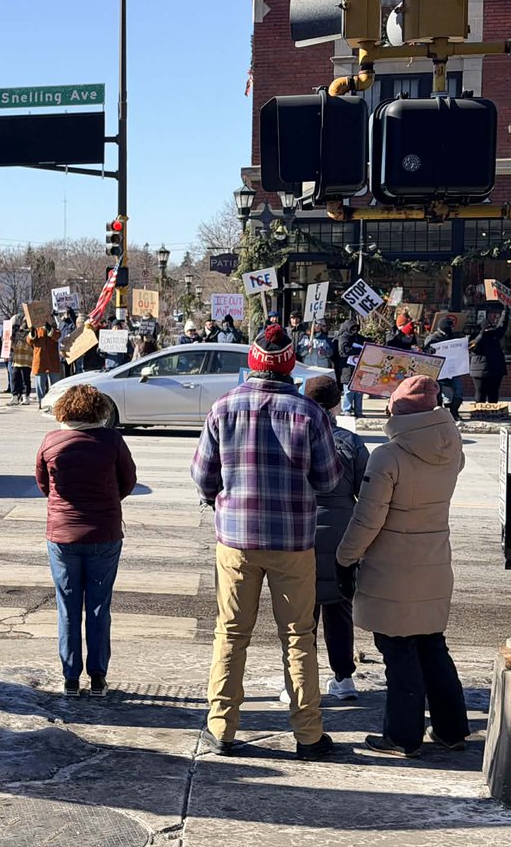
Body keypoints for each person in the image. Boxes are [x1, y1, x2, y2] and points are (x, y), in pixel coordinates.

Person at [192, 324, 342, 761]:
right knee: (298, 636)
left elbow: (203, 477)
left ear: (253, 362)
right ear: (289, 364)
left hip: (236, 539)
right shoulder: (310, 413)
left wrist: (221, 496)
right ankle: (309, 734)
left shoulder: (224, 407)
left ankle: (221, 728)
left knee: (231, 633)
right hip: (293, 541)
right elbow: (329, 480)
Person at [336, 375, 470, 757]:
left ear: (398, 410)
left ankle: (403, 737)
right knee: (432, 645)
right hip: (434, 561)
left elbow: (367, 520)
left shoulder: (388, 456)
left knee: (398, 651)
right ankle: (451, 729)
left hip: (392, 569)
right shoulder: (452, 447)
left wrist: (344, 558)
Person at [35, 384, 137, 698]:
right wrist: (106, 502)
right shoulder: (112, 440)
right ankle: (98, 678)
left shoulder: (51, 441)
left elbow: (43, 485)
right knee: (98, 607)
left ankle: (70, 678)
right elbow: (128, 481)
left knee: (67, 608)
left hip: (62, 535)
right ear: (98, 411)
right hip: (104, 533)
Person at [301, 376, 368, 703]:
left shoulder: (295, 437)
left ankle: (300, 681)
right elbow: (366, 492)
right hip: (343, 533)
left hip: (300, 532)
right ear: (337, 404)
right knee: (340, 608)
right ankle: (344, 678)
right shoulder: (351, 443)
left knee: (301, 612)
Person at [470, 309, 508, 404]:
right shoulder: (476, 337)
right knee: (481, 393)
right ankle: (481, 411)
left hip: (494, 370)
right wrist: (482, 334)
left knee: (492, 393)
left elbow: (503, 324)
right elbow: (472, 347)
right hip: (481, 371)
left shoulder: (495, 335)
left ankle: (489, 411)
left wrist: (506, 310)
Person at [337, 321, 368, 419]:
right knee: (349, 390)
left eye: (356, 329)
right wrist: (360, 350)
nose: (354, 331)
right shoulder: (344, 337)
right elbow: (343, 350)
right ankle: (347, 409)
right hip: (347, 368)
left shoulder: (359, 338)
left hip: (359, 368)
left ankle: (358, 411)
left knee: (359, 391)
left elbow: (368, 345)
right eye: (352, 329)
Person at [27, 319, 62, 406]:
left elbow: (57, 336)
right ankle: (41, 402)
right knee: (40, 384)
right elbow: (29, 341)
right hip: (39, 361)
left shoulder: (54, 327)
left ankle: (55, 402)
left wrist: (50, 329)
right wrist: (32, 332)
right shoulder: (36, 328)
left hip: (52, 361)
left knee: (56, 384)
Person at [9, 318, 34, 406]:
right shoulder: (17, 333)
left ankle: (26, 397)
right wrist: (11, 339)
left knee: (25, 380)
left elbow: (31, 339)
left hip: (26, 360)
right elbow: (13, 346)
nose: (24, 325)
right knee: (14, 379)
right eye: (23, 322)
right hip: (17, 360)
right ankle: (15, 396)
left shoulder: (30, 333)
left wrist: (32, 330)